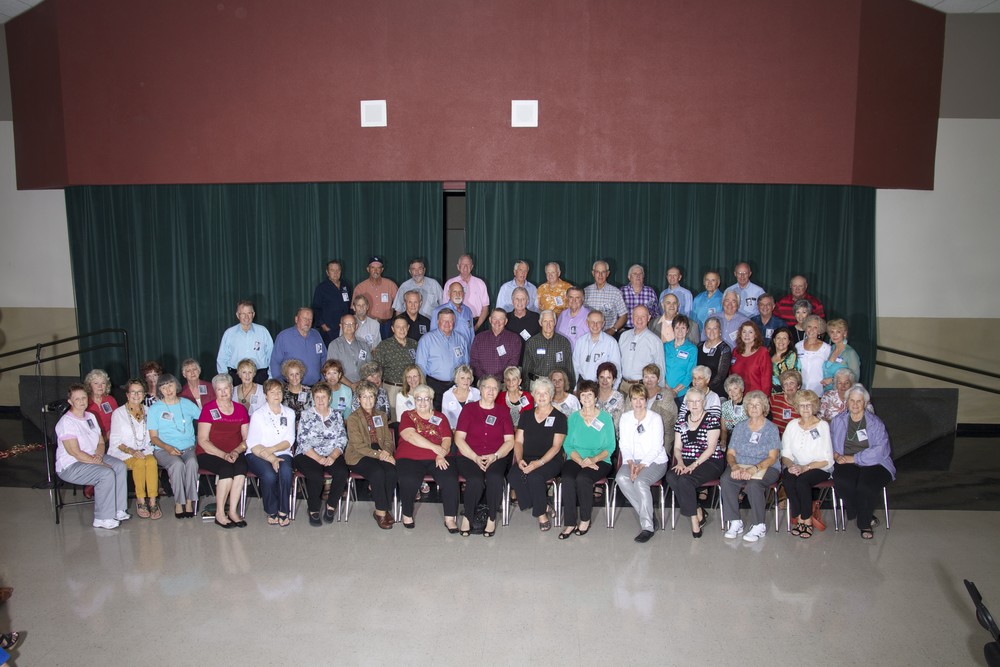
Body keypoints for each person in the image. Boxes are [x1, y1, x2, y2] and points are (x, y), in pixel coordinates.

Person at [55, 384, 130, 529]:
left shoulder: (91, 416)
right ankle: (102, 518)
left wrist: (99, 456)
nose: (81, 401)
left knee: (120, 466)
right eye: (77, 399)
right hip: (71, 465)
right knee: (105, 473)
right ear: (70, 401)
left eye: (84, 398)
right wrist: (99, 463)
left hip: (93, 456)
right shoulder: (66, 422)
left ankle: (118, 509)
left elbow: (101, 442)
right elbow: (75, 453)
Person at [454, 375, 515, 537]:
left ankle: (491, 518)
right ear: (480, 389)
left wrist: (495, 456)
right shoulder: (469, 409)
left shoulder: (503, 412)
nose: (491, 391)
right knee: (475, 479)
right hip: (469, 455)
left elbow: (510, 441)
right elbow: (459, 438)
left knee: (495, 477)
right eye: (487, 387)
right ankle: (467, 517)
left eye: (495, 388)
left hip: (496, 456)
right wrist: (474, 457)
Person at [831, 385, 895, 539]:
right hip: (845, 461)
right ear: (847, 402)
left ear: (865, 403)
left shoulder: (875, 423)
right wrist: (836, 455)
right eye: (852, 400)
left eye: (859, 401)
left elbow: (881, 449)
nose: (855, 404)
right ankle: (861, 511)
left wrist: (854, 458)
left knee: (865, 487)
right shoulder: (838, 421)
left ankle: (864, 524)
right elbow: (829, 443)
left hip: (875, 463)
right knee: (842, 481)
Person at [396, 384, 461, 532]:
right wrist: (434, 448)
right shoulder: (407, 415)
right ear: (414, 400)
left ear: (431, 400)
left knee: (450, 479)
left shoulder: (440, 417)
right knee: (409, 479)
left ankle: (450, 518)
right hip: (410, 457)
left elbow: (447, 439)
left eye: (426, 399)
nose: (423, 402)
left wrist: (441, 454)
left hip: (438, 457)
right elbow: (409, 435)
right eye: (419, 398)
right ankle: (407, 514)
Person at [720, 390, 781, 543]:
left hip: (766, 467)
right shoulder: (740, 427)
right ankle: (735, 521)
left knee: (754, 484)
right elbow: (730, 453)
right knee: (726, 480)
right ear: (746, 407)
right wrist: (734, 467)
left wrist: (754, 469)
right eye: (751, 405)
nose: (754, 408)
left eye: (757, 404)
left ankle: (759, 525)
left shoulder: (771, 428)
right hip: (741, 465)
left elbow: (772, 457)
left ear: (764, 407)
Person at [665, 388, 724, 538]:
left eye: (698, 401)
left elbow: (711, 449)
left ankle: (694, 521)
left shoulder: (712, 420)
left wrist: (693, 465)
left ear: (704, 402)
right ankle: (697, 509)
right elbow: (677, 447)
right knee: (671, 476)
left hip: (710, 461)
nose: (695, 404)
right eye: (691, 401)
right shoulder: (681, 421)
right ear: (686, 403)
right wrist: (680, 462)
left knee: (685, 480)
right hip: (686, 459)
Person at [509, 377, 566, 531]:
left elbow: (556, 447)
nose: (541, 396)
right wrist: (519, 460)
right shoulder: (526, 415)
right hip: (526, 458)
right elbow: (518, 441)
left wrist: (538, 463)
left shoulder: (560, 418)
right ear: (533, 395)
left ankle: (541, 514)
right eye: (538, 393)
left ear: (551, 395)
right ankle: (543, 505)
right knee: (514, 475)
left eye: (545, 393)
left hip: (550, 460)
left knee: (534, 477)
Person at [559, 379, 614, 539]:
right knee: (567, 478)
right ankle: (570, 522)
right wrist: (581, 461)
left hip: (601, 460)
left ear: (596, 397)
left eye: (590, 394)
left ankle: (585, 519)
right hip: (576, 458)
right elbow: (568, 445)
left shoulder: (605, 418)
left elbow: (610, 446)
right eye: (583, 395)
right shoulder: (573, 418)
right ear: (579, 397)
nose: (586, 398)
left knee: (583, 478)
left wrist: (593, 460)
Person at [615, 383, 669, 543]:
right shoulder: (625, 418)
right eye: (634, 399)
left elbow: (657, 447)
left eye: (641, 399)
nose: (638, 402)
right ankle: (649, 515)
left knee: (640, 482)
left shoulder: (655, 418)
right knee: (621, 478)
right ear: (630, 400)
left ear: (646, 400)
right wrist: (631, 463)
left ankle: (648, 527)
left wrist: (640, 466)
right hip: (633, 460)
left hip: (655, 461)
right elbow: (624, 444)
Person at [196, 374, 250, 529]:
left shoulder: (240, 409)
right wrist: (223, 455)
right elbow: (203, 440)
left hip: (234, 452)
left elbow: (246, 439)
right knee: (226, 469)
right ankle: (220, 514)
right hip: (209, 453)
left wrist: (236, 451)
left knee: (241, 468)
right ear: (215, 391)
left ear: (231, 389)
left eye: (226, 388)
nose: (223, 392)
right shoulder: (208, 409)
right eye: (219, 389)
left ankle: (232, 512)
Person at [293, 382, 350, 526]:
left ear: (329, 398)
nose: (320, 400)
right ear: (313, 399)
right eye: (317, 397)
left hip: (331, 453)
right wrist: (318, 458)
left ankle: (331, 505)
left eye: (323, 397)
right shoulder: (306, 415)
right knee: (315, 476)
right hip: (308, 454)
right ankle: (313, 509)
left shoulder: (337, 415)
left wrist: (333, 456)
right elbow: (302, 441)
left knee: (342, 472)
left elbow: (342, 438)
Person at [781, 389, 834, 539]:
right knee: (789, 480)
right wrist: (791, 466)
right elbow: (785, 454)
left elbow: (828, 459)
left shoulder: (822, 426)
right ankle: (799, 517)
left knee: (802, 481)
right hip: (796, 465)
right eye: (802, 405)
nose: (805, 408)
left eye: (809, 405)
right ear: (797, 407)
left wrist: (806, 467)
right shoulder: (792, 425)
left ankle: (807, 520)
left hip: (819, 467)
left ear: (814, 406)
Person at [345, 380, 397, 529]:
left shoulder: (381, 415)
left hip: (380, 450)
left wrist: (386, 452)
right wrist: (380, 455)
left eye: (371, 396)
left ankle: (384, 508)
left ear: (375, 398)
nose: (368, 400)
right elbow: (358, 445)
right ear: (359, 399)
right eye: (364, 396)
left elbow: (388, 440)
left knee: (392, 472)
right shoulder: (353, 418)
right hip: (358, 454)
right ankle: (380, 512)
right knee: (378, 473)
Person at [148, 373, 201, 519]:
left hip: (188, 448)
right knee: (177, 465)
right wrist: (168, 448)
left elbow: (204, 418)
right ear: (160, 390)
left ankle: (189, 501)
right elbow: (153, 437)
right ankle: (179, 502)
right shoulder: (155, 409)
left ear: (176, 386)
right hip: (164, 450)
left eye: (170, 385)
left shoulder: (187, 404)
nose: (168, 390)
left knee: (192, 463)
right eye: (163, 387)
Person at [245, 379, 296, 526]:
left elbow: (289, 440)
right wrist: (272, 458)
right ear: (266, 395)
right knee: (269, 475)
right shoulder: (258, 414)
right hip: (258, 453)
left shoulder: (289, 413)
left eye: (279, 391)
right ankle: (271, 510)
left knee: (285, 472)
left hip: (282, 451)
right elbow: (253, 444)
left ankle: (283, 510)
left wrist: (273, 451)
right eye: (272, 392)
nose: (276, 395)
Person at [108, 379, 160, 519]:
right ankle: (141, 501)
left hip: (145, 450)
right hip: (123, 452)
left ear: (144, 394)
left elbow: (152, 436)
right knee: (139, 463)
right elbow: (115, 441)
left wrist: (143, 450)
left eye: (140, 392)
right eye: (133, 392)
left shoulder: (149, 411)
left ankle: (153, 501)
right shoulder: (118, 413)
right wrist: (132, 451)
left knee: (151, 462)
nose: (136, 395)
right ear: (127, 394)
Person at [416, 309, 471, 408]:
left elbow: (466, 365)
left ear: (454, 322)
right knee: (436, 415)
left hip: (456, 386)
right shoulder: (426, 340)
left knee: (455, 414)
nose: (447, 324)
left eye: (450, 321)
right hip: (434, 386)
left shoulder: (461, 339)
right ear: (438, 321)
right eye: (444, 320)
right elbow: (420, 367)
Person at [216, 299, 273, 385]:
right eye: (243, 313)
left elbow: (271, 356)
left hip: (260, 376)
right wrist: (225, 380)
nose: (246, 317)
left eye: (249, 313)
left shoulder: (263, 331)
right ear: (237, 315)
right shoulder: (229, 333)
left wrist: (271, 377)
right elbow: (222, 359)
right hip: (236, 377)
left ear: (253, 314)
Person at [372, 315, 417, 416]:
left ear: (408, 327)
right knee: (394, 418)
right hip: (392, 388)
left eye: (404, 326)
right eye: (398, 327)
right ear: (392, 329)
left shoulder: (414, 344)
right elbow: (376, 368)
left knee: (412, 417)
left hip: (411, 388)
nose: (402, 329)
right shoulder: (384, 346)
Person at [270, 307, 326, 385]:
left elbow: (323, 358)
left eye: (310, 319)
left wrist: (323, 379)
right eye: (304, 318)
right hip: (292, 387)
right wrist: (280, 383)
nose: (307, 322)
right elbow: (275, 362)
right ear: (296, 319)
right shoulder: (284, 337)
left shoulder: (316, 335)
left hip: (316, 386)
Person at [618, 305, 665, 396]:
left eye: (643, 316)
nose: (639, 319)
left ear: (649, 318)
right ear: (632, 317)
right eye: (636, 316)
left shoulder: (655, 340)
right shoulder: (624, 336)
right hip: (623, 386)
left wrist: (659, 391)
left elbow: (660, 368)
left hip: (643, 387)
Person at [522, 310, 575, 386]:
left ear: (555, 322)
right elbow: (526, 369)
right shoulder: (531, 343)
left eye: (551, 321)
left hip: (557, 384)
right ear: (540, 323)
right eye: (545, 321)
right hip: (537, 383)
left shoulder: (564, 342)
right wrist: (526, 388)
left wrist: (570, 387)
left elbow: (569, 368)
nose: (548, 325)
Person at [470, 308, 522, 379]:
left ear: (506, 321)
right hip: (482, 381)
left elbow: (513, 363)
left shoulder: (514, 339)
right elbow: (474, 361)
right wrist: (486, 379)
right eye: (494, 318)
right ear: (490, 320)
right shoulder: (479, 338)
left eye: (501, 319)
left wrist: (498, 379)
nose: (497, 322)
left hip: (505, 382)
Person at [441, 253, 490, 331]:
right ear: (458, 267)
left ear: (472, 267)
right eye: (463, 264)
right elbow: (445, 307)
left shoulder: (480, 283)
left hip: (478, 324)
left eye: (468, 264)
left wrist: (476, 327)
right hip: (456, 324)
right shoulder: (450, 283)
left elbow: (485, 308)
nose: (465, 267)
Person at [572, 311, 622, 385]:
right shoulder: (580, 341)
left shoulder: (611, 342)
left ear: (603, 324)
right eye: (592, 322)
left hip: (603, 385)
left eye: (598, 322)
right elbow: (575, 366)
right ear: (587, 323)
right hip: (583, 384)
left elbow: (617, 369)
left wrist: (613, 389)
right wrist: (575, 387)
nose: (595, 325)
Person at [311, 260, 353, 345]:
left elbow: (350, 306)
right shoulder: (321, 288)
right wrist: (323, 325)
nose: (335, 273)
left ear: (341, 271)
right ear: (327, 272)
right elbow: (316, 308)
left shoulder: (346, 286)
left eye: (338, 270)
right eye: (332, 270)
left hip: (345, 328)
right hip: (330, 330)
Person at [325, 313, 371, 390]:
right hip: (341, 388)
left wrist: (359, 383)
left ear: (356, 326)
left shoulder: (364, 344)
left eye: (352, 324)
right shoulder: (334, 345)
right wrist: (351, 385)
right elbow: (332, 370)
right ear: (341, 326)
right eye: (346, 324)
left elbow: (370, 366)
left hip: (362, 387)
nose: (349, 326)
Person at [584, 260, 628, 336]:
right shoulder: (585, 292)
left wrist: (613, 329)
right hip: (588, 335)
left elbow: (623, 315)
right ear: (593, 273)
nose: (600, 275)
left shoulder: (616, 293)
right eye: (597, 272)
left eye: (603, 272)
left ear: (608, 273)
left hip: (609, 335)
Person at [353, 255, 398, 324]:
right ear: (368, 269)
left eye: (378, 268)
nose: (375, 271)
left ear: (382, 269)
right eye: (372, 268)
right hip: (367, 324)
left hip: (387, 324)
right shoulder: (360, 288)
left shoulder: (391, 285)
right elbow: (354, 309)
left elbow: (399, 306)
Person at [730, 321, 772, 394]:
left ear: (755, 335)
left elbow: (766, 379)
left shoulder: (762, 352)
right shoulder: (735, 351)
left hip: (756, 397)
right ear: (740, 334)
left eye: (750, 332)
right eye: (744, 332)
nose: (747, 335)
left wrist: (764, 397)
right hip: (737, 396)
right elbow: (731, 375)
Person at [664, 315, 698, 402]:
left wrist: (675, 391)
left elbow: (690, 373)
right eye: (677, 328)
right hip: (664, 390)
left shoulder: (692, 349)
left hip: (682, 394)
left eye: (683, 328)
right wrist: (667, 389)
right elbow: (661, 368)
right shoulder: (665, 346)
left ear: (687, 330)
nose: (680, 331)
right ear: (673, 329)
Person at [821, 318, 861, 390]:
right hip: (826, 392)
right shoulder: (830, 348)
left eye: (838, 332)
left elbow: (854, 378)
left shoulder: (850, 353)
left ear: (845, 333)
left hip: (842, 392)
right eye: (832, 332)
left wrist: (833, 380)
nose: (835, 335)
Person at [796, 314, 831, 394]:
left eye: (815, 327)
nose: (811, 330)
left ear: (819, 331)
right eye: (809, 326)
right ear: (805, 328)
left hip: (819, 391)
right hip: (800, 391)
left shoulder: (826, 348)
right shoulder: (798, 346)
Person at [698, 316, 731, 398]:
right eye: (709, 328)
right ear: (705, 330)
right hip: (698, 391)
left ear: (720, 330)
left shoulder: (724, 349)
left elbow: (721, 376)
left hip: (716, 393)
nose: (712, 331)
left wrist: (705, 388)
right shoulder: (699, 346)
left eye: (715, 328)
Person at [641, 363, 678, 436]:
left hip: (661, 434)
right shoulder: (637, 393)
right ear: (643, 379)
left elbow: (669, 420)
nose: (649, 380)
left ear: (658, 379)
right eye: (646, 377)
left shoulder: (666, 395)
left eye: (653, 377)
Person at [441, 364, 480, 429]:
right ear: (456, 380)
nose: (466, 381)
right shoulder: (447, 395)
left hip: (473, 429)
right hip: (453, 430)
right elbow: (445, 417)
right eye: (462, 378)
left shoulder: (477, 393)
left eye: (468, 378)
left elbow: (480, 414)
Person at [84, 368, 117, 438]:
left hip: (112, 436)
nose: (100, 386)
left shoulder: (110, 400)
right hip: (92, 438)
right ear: (89, 385)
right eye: (96, 383)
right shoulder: (84, 401)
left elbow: (118, 419)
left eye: (103, 383)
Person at [595, 361, 626, 435]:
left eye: (608, 378)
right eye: (602, 377)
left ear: (614, 380)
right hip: (593, 434)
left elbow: (617, 424)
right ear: (597, 379)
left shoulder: (618, 398)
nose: (605, 380)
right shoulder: (592, 395)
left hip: (611, 436)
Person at [556, 286, 591, 351]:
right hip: (562, 354)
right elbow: (556, 334)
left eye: (577, 298)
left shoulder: (590, 316)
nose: (574, 301)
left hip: (580, 355)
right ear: (567, 298)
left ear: (583, 299)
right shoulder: (562, 315)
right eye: (571, 297)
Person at [505, 286, 541, 351]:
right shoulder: (505, 318)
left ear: (527, 301)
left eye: (523, 299)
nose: (520, 302)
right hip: (511, 355)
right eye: (517, 299)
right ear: (512, 301)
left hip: (530, 355)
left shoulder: (536, 318)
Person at [770, 369, 802, 436]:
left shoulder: (803, 403)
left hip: (794, 438)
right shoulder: (774, 399)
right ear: (783, 388)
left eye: (792, 383)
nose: (788, 386)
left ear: (798, 386)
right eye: (785, 384)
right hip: (775, 438)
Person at [280, 358, 313, 424]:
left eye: (297, 374)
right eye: (291, 374)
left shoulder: (309, 392)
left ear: (301, 375)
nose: (294, 377)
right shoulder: (281, 392)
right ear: (287, 377)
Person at [720, 374, 748, 444]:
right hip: (730, 439)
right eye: (730, 390)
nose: (733, 392)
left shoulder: (749, 404)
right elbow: (723, 429)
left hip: (746, 439)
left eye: (735, 388)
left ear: (742, 389)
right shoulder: (725, 406)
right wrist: (723, 441)